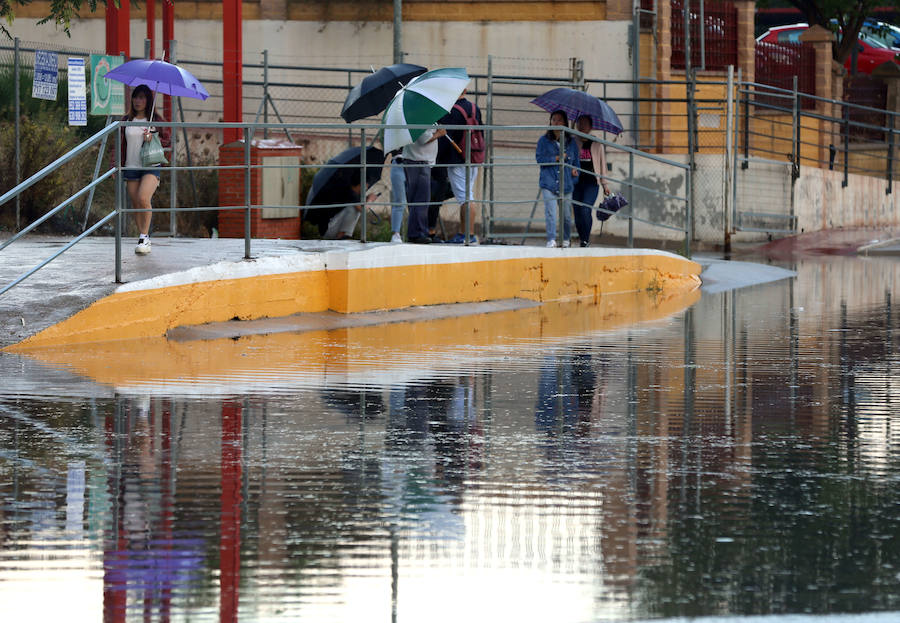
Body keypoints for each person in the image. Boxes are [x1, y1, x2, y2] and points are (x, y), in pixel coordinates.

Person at [120, 84, 170, 255]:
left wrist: (153, 136)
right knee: (136, 204)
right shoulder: (126, 119)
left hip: (150, 166)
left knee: (143, 198)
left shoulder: (156, 120)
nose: (138, 101)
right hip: (130, 166)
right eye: (136, 97)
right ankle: (145, 235)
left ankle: (143, 237)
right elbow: (118, 145)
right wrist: (114, 166)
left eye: (142, 97)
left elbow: (168, 140)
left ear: (148, 100)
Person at [437, 89, 483, 244]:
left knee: (466, 197)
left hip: (457, 159)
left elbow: (446, 138)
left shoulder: (451, 111)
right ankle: (464, 233)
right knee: (467, 195)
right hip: (473, 156)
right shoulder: (474, 108)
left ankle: (468, 235)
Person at [536, 109, 579, 248]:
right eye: (554, 119)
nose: (556, 122)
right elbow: (540, 158)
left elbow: (576, 163)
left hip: (566, 183)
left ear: (565, 123)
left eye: (559, 120)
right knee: (551, 213)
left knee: (566, 215)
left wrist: (574, 172)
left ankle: (566, 239)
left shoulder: (571, 142)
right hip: (549, 181)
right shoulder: (543, 140)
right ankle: (551, 239)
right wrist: (556, 158)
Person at [403, 125, 446, 244]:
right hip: (418, 162)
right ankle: (418, 233)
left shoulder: (426, 118)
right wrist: (439, 133)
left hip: (421, 162)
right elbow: (424, 139)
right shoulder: (421, 119)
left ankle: (415, 232)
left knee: (418, 199)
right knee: (421, 199)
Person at [572, 114, 610, 247]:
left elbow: (602, 164)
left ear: (591, 127)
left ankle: (585, 240)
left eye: (585, 124)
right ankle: (582, 238)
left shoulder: (597, 144)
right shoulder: (572, 140)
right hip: (576, 183)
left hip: (592, 183)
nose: (582, 126)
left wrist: (605, 185)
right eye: (580, 123)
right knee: (577, 211)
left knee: (585, 209)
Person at [307, 179, 377, 240]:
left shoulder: (349, 190)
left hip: (330, 226)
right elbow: (363, 209)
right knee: (353, 209)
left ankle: (343, 236)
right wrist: (370, 199)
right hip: (328, 230)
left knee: (355, 208)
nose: (365, 189)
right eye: (365, 187)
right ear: (359, 184)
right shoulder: (349, 192)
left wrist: (367, 199)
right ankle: (341, 238)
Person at [388, 149, 407, 243]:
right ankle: (396, 233)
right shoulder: (392, 135)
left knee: (416, 201)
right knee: (399, 201)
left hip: (416, 164)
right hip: (399, 163)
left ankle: (416, 232)